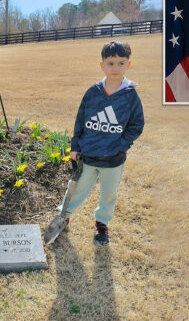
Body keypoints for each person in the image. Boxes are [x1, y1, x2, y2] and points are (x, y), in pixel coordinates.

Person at [59, 40, 145, 244]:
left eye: (121, 63)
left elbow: (137, 125)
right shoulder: (93, 92)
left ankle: (101, 223)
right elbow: (80, 120)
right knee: (77, 188)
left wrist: (121, 144)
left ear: (128, 65)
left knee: (108, 194)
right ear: (102, 65)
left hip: (113, 160)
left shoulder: (130, 96)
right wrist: (75, 147)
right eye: (111, 63)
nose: (116, 68)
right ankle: (63, 215)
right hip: (88, 156)